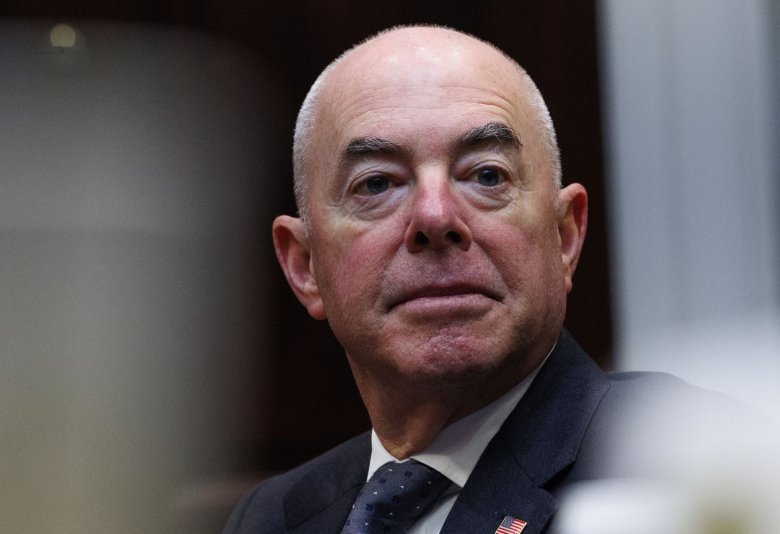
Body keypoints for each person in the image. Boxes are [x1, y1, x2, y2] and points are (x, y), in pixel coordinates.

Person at [223, 25, 700, 534]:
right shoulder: (269, 518)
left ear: (564, 237)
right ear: (304, 265)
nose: (435, 217)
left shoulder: (683, 464)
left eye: (487, 176)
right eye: (378, 183)